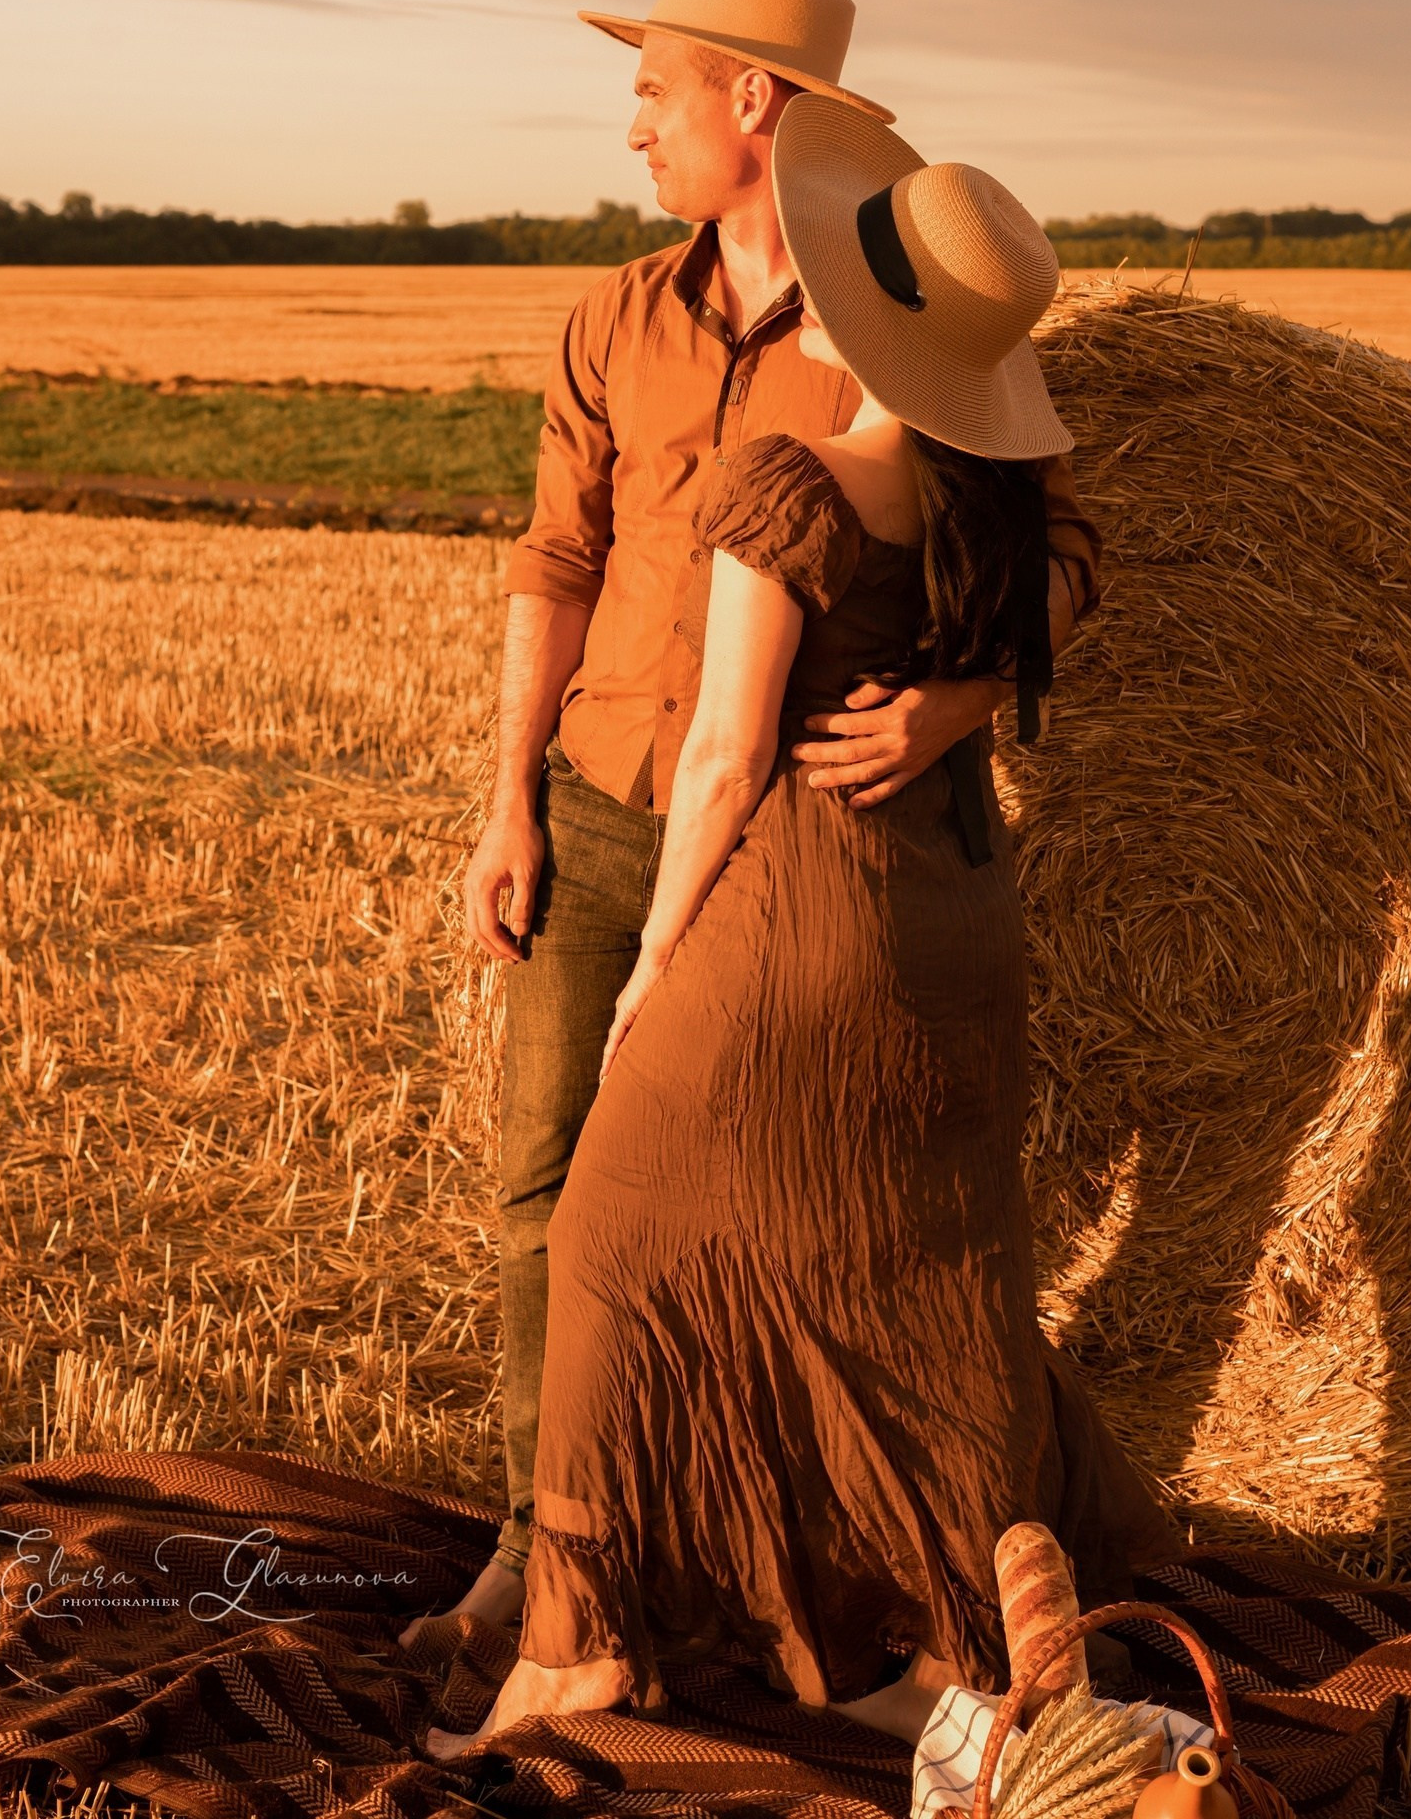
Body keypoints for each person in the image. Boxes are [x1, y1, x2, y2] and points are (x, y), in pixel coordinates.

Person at [431, 102, 1176, 1758]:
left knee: (612, 1230)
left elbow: (724, 756)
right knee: (924, 1263)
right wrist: (974, 692)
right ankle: (945, 1633)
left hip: (792, 910)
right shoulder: (978, 478)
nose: (636, 125)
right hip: (954, 926)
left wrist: (653, 966)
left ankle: (579, 1644)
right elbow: (1051, 583)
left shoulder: (793, 480)